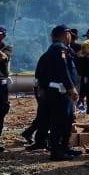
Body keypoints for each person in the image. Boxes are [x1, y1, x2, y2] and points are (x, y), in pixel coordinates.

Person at [34, 25, 80, 161]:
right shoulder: (58, 48)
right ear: (66, 34)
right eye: (70, 34)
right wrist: (71, 87)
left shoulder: (63, 49)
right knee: (59, 122)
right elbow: (63, 70)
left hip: (63, 92)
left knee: (67, 120)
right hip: (60, 91)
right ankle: (56, 151)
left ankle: (64, 148)